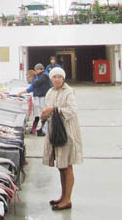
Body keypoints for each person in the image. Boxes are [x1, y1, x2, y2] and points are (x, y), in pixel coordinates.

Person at [41, 67, 83, 211]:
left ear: (63, 78)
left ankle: (67, 199)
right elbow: (47, 109)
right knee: (61, 166)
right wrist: (44, 115)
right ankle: (63, 196)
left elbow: (72, 111)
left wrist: (54, 109)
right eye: (54, 77)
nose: (57, 79)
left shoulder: (68, 92)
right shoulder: (50, 92)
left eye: (60, 77)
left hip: (67, 132)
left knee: (67, 166)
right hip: (55, 132)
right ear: (51, 79)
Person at [18, 63, 51, 136]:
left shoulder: (43, 75)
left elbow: (33, 87)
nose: (29, 79)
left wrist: (20, 93)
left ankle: (40, 130)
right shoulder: (40, 76)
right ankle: (35, 129)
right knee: (38, 115)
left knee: (41, 114)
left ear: (38, 69)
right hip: (39, 97)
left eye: (29, 77)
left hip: (41, 97)